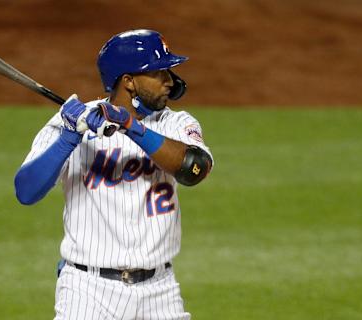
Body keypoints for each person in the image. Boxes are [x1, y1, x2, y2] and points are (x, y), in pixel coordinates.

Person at [14, 29, 213, 320]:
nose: (170, 81)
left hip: (160, 291)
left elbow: (194, 169)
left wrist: (133, 127)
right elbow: (26, 192)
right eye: (159, 73)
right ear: (129, 81)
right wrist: (68, 139)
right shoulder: (75, 121)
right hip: (88, 290)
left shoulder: (176, 123)